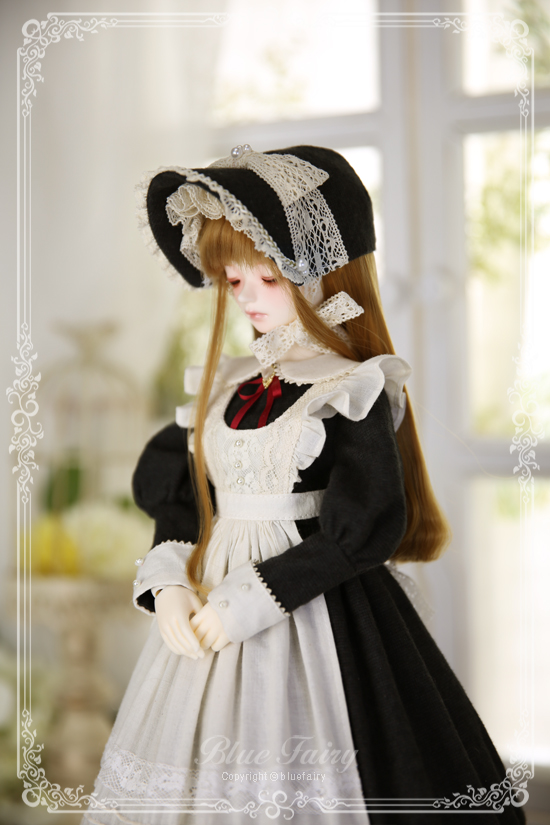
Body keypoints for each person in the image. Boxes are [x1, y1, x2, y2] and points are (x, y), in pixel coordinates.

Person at [83, 145, 527, 824]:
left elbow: (365, 522)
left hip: (313, 606)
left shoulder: (350, 387)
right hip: (204, 604)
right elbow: (181, 488)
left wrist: (247, 600)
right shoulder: (227, 384)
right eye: (233, 280)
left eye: (267, 276)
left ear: (323, 274)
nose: (246, 296)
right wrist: (169, 576)